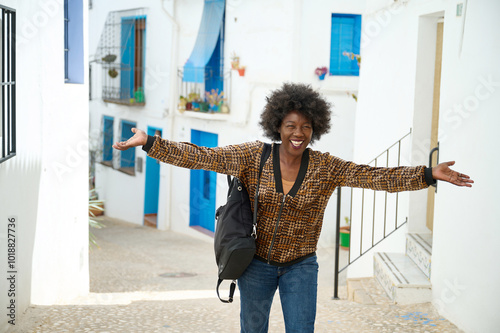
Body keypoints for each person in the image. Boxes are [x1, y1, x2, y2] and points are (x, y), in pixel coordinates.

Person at [113, 83, 473, 332]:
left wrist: (427, 174)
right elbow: (203, 156)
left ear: (314, 129)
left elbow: (372, 176)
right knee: (252, 330)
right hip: (255, 264)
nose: (297, 133)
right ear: (278, 126)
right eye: (290, 126)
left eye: (305, 127)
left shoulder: (325, 166)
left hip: (301, 266)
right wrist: (151, 143)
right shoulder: (253, 156)